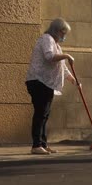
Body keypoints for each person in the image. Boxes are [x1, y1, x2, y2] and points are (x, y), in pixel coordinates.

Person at [26, 18, 79, 155]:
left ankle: (42, 144)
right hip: (39, 81)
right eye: (63, 33)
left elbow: (62, 68)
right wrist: (66, 55)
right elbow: (49, 57)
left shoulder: (56, 45)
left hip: (45, 83)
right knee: (40, 113)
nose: (64, 36)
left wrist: (73, 80)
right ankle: (36, 145)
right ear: (56, 30)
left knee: (45, 114)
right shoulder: (47, 39)